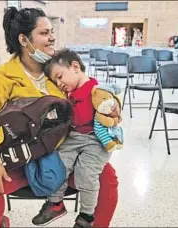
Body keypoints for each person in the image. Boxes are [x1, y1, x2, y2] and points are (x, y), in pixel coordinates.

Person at [0, 7, 118, 228]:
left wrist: (112, 107)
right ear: (24, 40)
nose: (52, 38)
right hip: (20, 158)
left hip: (64, 156)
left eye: (52, 32)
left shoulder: (59, 71)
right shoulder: (2, 78)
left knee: (107, 177)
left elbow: (92, 90)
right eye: (45, 33)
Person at [31, 49, 114, 227]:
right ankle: (55, 203)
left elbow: (82, 117)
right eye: (56, 81)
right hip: (75, 137)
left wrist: (61, 111)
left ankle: (86, 216)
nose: (59, 83)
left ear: (75, 67)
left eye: (60, 76)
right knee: (59, 166)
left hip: (96, 141)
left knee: (86, 174)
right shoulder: (71, 92)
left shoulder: (94, 90)